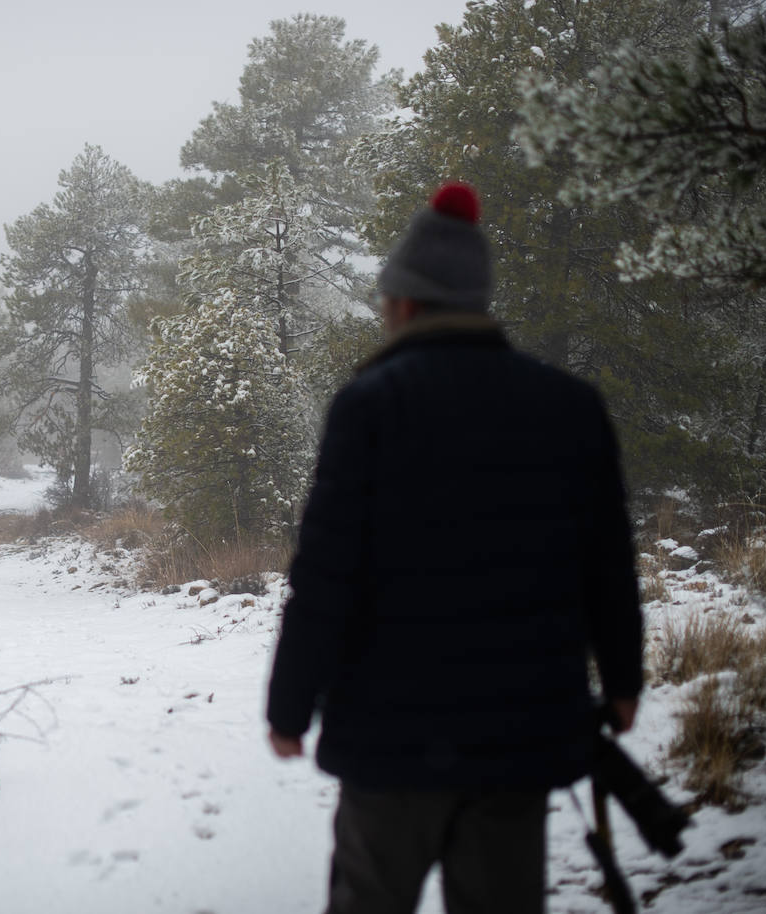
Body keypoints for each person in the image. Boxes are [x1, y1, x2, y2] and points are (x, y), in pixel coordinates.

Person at [265, 181, 643, 914]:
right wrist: (624, 679)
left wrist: (289, 707)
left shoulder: (370, 406)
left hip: (388, 744)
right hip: (519, 742)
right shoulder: (569, 408)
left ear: (404, 303)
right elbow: (608, 565)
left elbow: (326, 576)